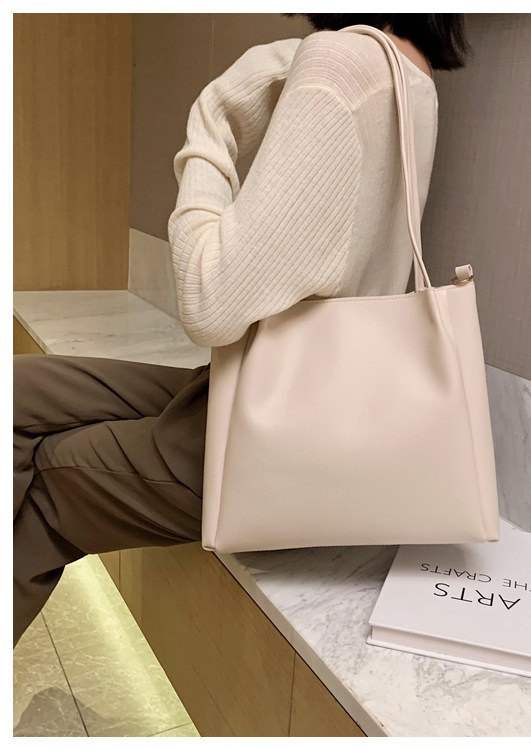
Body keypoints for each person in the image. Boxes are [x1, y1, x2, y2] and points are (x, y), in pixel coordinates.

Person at [12, 13, 472, 648]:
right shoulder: (410, 77)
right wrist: (296, 60)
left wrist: (213, 115)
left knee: (46, 478)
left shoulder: (343, 64)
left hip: (277, 444)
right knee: (17, 391)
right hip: (304, 403)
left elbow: (209, 303)